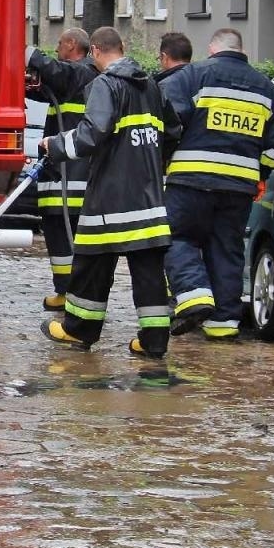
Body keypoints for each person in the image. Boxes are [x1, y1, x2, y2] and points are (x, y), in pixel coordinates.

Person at [38, 27, 178, 357]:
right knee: (148, 270)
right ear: (124, 47)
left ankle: (78, 330)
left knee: (91, 263)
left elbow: (91, 134)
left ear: (97, 51)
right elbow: (172, 130)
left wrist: (54, 144)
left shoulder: (106, 84)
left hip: (111, 197)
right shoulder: (152, 86)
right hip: (149, 196)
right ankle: (154, 341)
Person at [159, 28, 274, 338]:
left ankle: (195, 295)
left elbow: (168, 120)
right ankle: (224, 322)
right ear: (241, 51)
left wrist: (162, 160)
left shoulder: (195, 75)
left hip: (190, 181)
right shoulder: (266, 88)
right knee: (226, 248)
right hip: (238, 188)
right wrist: (260, 176)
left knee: (175, 237)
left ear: (212, 50)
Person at [25, 28, 98, 311]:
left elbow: (55, 71)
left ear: (71, 45)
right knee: (58, 237)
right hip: (63, 178)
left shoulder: (83, 73)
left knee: (67, 239)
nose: (57, 49)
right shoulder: (72, 80)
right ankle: (65, 291)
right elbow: (47, 87)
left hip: (72, 181)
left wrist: (26, 52)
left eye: (59, 44)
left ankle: (71, 294)